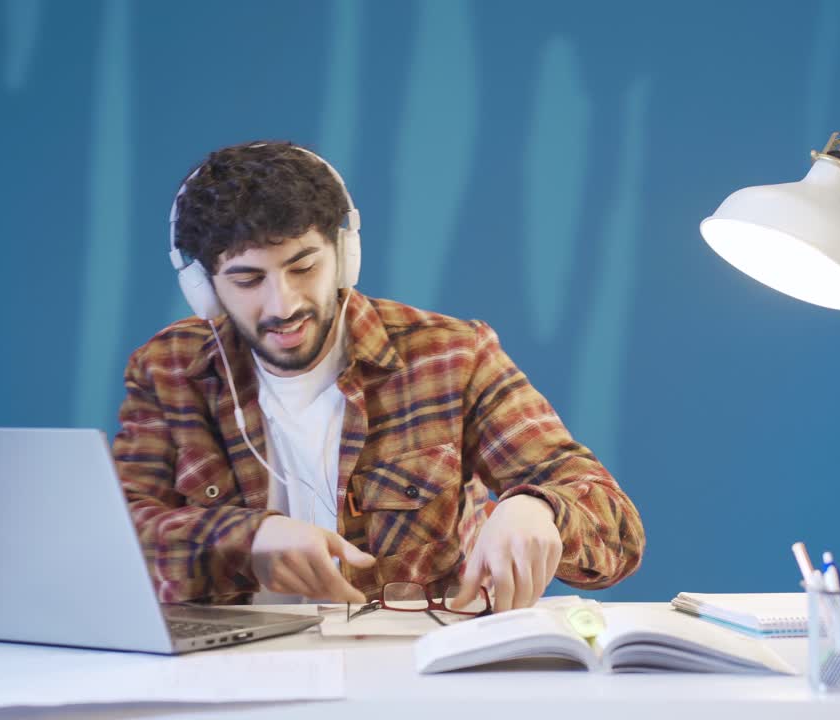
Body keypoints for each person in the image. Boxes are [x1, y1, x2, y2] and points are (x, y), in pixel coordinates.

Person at [113, 141, 644, 612]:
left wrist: (540, 508)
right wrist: (247, 538)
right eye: (248, 279)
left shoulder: (453, 356)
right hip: (229, 676)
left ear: (344, 255)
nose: (284, 305)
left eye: (304, 267)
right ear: (203, 288)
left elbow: (616, 528)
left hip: (412, 675)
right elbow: (118, 533)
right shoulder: (167, 370)